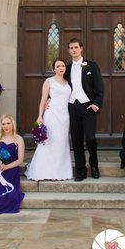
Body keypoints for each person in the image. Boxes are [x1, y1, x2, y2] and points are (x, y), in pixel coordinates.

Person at [25, 58, 73, 181]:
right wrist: (40, 116)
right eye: (58, 66)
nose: (61, 68)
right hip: (52, 114)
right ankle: (45, 171)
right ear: (53, 69)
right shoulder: (49, 81)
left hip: (64, 116)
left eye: (63, 65)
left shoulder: (68, 82)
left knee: (61, 143)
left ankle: (60, 171)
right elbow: (43, 99)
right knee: (49, 142)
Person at [63, 38, 104, 181]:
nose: (73, 50)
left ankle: (94, 165)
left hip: (88, 106)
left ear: (81, 48)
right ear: (68, 50)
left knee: (90, 138)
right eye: (71, 48)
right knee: (76, 139)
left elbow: (99, 88)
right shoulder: (66, 68)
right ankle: (80, 169)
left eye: (76, 47)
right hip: (72, 106)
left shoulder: (92, 66)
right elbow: (59, 85)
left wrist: (96, 104)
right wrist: (50, 99)